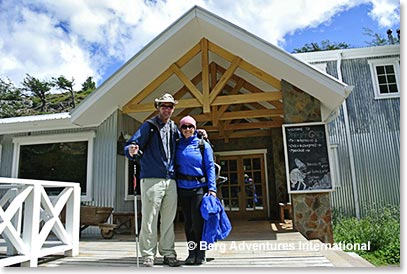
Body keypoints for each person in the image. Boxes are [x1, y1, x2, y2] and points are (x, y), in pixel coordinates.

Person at [124, 93, 181, 267]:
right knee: (149, 219)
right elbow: (131, 144)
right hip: (151, 179)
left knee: (169, 219)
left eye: (170, 106)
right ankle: (148, 255)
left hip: (170, 180)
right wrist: (131, 150)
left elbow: (185, 142)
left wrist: (199, 134)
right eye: (164, 106)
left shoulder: (174, 128)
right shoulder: (148, 126)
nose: (167, 109)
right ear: (158, 107)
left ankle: (168, 253)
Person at [175, 115, 217, 265]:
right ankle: (191, 252)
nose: (187, 129)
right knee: (187, 223)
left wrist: (212, 188)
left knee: (197, 222)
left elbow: (210, 166)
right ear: (180, 129)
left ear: (194, 128)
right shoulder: (177, 144)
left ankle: (201, 252)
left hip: (198, 188)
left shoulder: (202, 144)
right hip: (182, 188)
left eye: (190, 126)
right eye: (184, 126)